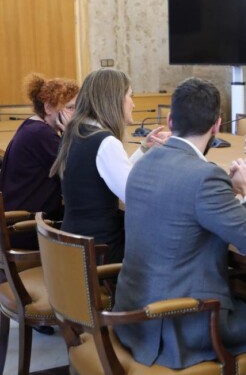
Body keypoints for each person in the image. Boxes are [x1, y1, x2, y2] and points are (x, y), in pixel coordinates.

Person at [113, 77, 246, 374]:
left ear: (170, 119)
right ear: (217, 125)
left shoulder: (145, 162)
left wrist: (229, 189)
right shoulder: (204, 177)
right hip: (182, 322)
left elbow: (183, 201)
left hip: (133, 312)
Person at [50, 68, 169, 263]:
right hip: (100, 252)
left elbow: (106, 174)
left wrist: (144, 149)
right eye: (130, 96)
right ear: (113, 99)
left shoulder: (77, 132)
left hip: (76, 246)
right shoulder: (104, 142)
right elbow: (136, 197)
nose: (133, 103)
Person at [0, 73, 79, 249]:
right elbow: (74, 173)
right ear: (48, 108)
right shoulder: (40, 134)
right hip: (26, 228)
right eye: (71, 107)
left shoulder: (33, 127)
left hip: (21, 222)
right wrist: (70, 134)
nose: (77, 113)